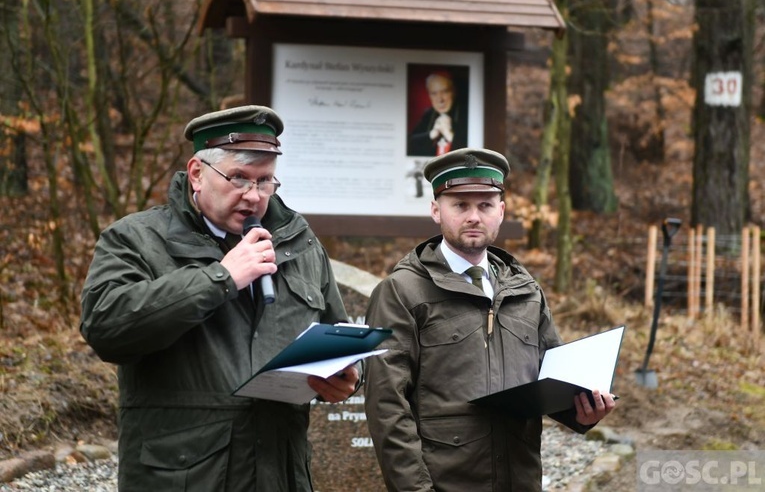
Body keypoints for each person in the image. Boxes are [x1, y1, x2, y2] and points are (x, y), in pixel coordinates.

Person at [80, 105, 360, 491]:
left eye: (265, 181)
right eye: (239, 178)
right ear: (197, 173)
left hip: (282, 473)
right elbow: (106, 326)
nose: (253, 195)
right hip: (185, 478)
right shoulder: (135, 239)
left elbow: (337, 331)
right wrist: (221, 278)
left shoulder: (299, 242)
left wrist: (346, 379)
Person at [363, 148, 616, 491]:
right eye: (460, 205)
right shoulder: (402, 292)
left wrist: (581, 411)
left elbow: (552, 379)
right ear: (436, 210)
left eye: (484, 205)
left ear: (501, 211)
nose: (473, 217)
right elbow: (387, 407)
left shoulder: (525, 291)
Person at [408, 71, 468, 156]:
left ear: (453, 91)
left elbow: (473, 154)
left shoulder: (466, 114)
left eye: (445, 91)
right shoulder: (429, 115)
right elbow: (409, 144)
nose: (440, 100)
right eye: (434, 93)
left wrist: (450, 135)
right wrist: (431, 135)